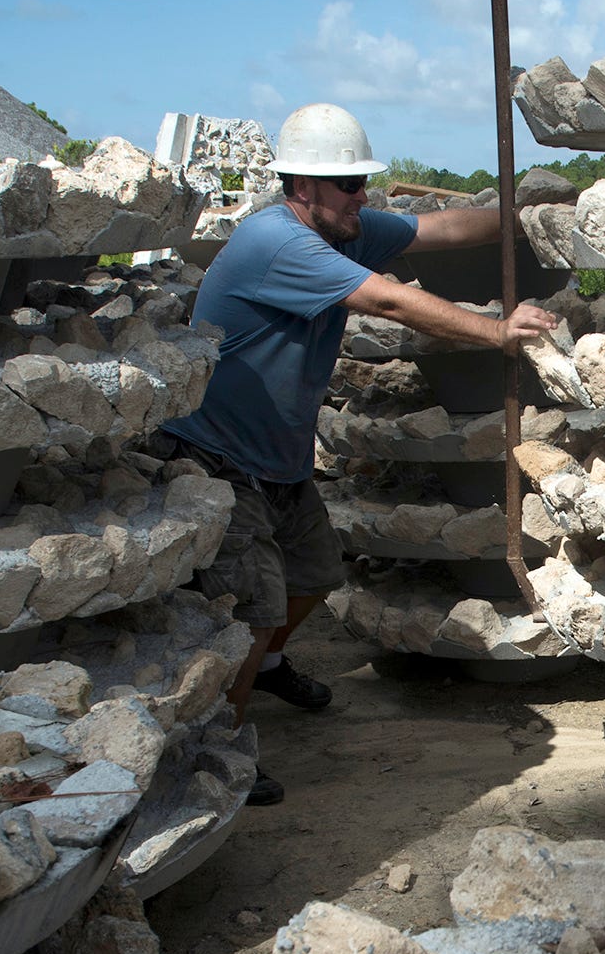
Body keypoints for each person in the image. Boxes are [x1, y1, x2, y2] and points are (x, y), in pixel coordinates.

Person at [155, 102, 559, 806]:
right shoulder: (279, 243)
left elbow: (441, 228)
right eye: (349, 186)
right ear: (305, 185)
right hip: (218, 459)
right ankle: (213, 759)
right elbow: (390, 302)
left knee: (317, 570)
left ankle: (269, 665)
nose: (362, 197)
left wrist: (534, 214)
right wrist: (495, 333)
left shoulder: (341, 229)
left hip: (278, 460)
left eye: (362, 184)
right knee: (253, 605)